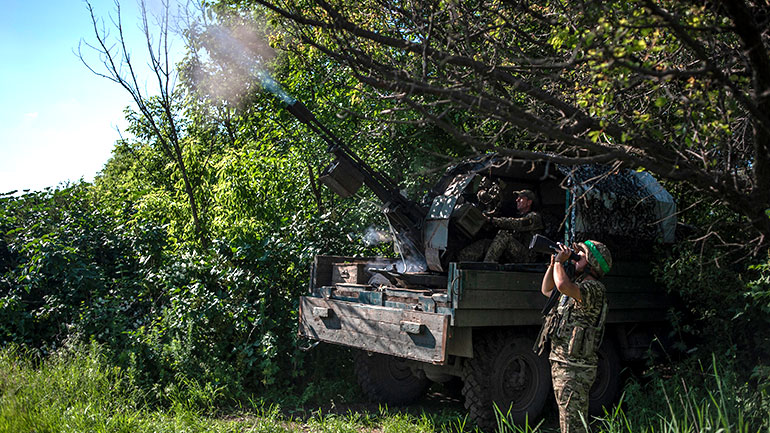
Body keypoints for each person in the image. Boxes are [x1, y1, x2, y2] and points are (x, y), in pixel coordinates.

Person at [537, 240, 612, 433]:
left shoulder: (594, 289)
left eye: (581, 255)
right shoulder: (577, 286)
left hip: (575, 369)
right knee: (568, 422)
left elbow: (561, 285)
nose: (576, 257)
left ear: (593, 264)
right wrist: (554, 264)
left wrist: (562, 263)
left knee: (572, 427)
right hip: (564, 364)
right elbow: (547, 290)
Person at [482, 189, 544, 263]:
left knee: (503, 236)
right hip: (517, 252)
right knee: (486, 243)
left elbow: (516, 223)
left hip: (528, 257)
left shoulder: (534, 217)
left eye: (521, 198)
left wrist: (492, 220)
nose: (517, 200)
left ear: (529, 202)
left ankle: (487, 265)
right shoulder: (520, 216)